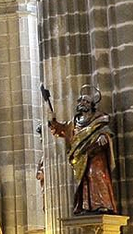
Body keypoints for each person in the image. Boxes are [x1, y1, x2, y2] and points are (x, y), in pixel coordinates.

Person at [49, 87, 119, 215]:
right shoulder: (75, 122)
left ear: (92, 105)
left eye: (86, 101)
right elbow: (62, 129)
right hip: (81, 156)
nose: (82, 103)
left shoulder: (99, 119)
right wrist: (53, 122)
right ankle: (86, 206)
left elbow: (106, 131)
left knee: (96, 175)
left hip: (95, 153)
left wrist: (104, 136)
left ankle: (103, 204)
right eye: (81, 101)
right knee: (84, 180)